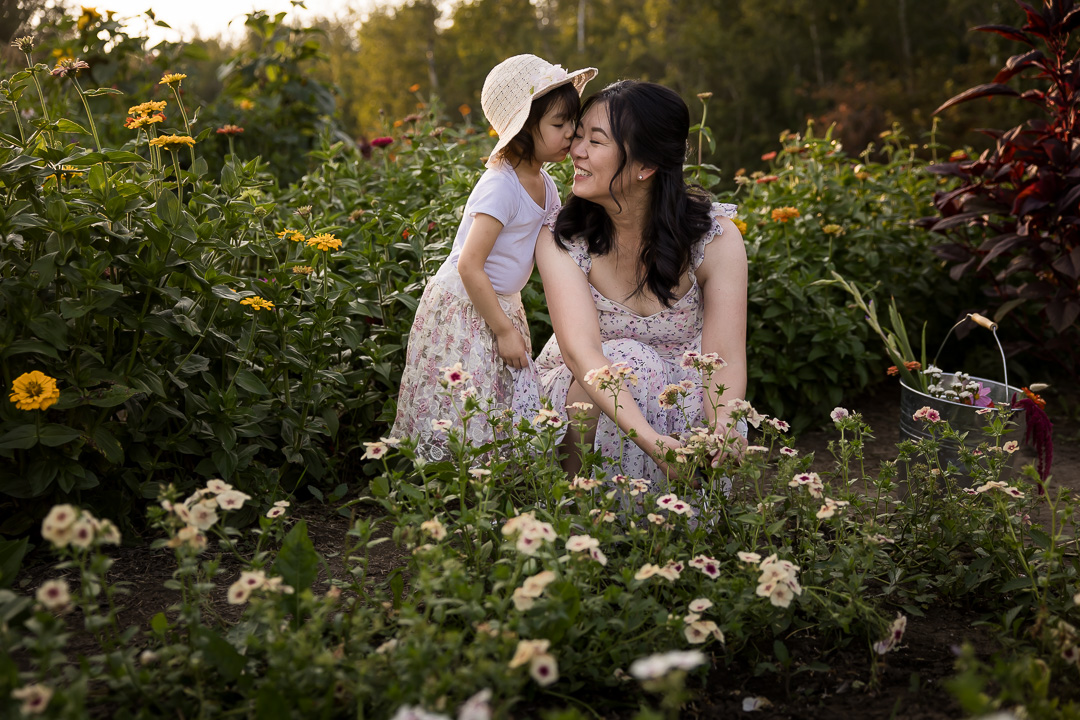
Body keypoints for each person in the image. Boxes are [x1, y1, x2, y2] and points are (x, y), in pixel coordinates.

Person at [533, 80, 748, 490]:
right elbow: (582, 354)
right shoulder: (562, 239)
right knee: (627, 361)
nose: (575, 150)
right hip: (589, 398)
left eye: (595, 141)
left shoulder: (715, 239)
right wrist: (651, 443)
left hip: (683, 401)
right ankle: (579, 507)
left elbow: (724, 359)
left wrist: (724, 425)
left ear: (645, 166)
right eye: (578, 135)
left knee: (690, 395)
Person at [391, 55, 597, 462]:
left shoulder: (545, 184)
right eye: (559, 125)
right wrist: (503, 330)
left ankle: (493, 474)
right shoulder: (501, 185)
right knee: (463, 392)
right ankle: (449, 477)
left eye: (573, 123)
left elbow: (556, 245)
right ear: (523, 127)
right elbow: (470, 264)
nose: (571, 133)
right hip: (467, 304)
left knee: (496, 392)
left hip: (501, 302)